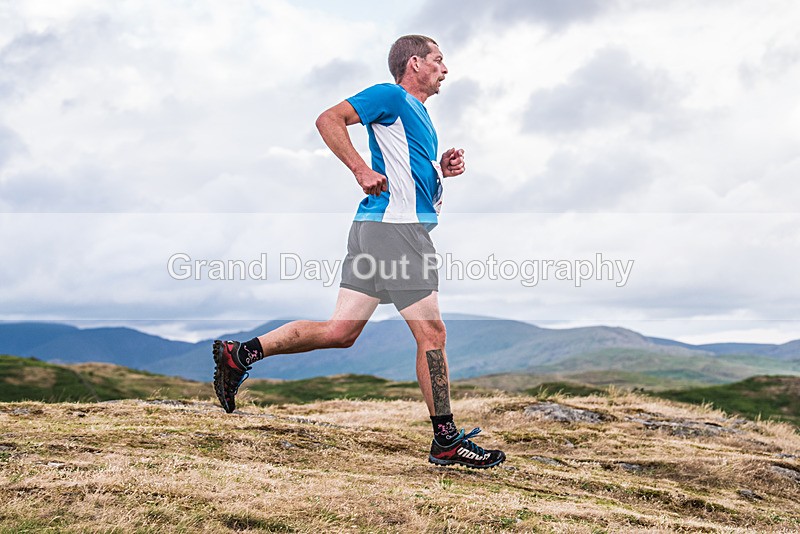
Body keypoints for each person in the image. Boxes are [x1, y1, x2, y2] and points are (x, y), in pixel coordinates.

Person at [213, 35, 505, 469]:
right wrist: (359, 168)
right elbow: (328, 119)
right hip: (396, 231)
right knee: (433, 334)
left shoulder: (419, 115)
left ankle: (242, 354)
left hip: (376, 228)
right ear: (415, 63)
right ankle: (445, 440)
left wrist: (439, 171)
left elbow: (406, 174)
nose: (446, 69)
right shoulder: (390, 95)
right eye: (439, 60)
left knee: (340, 332)